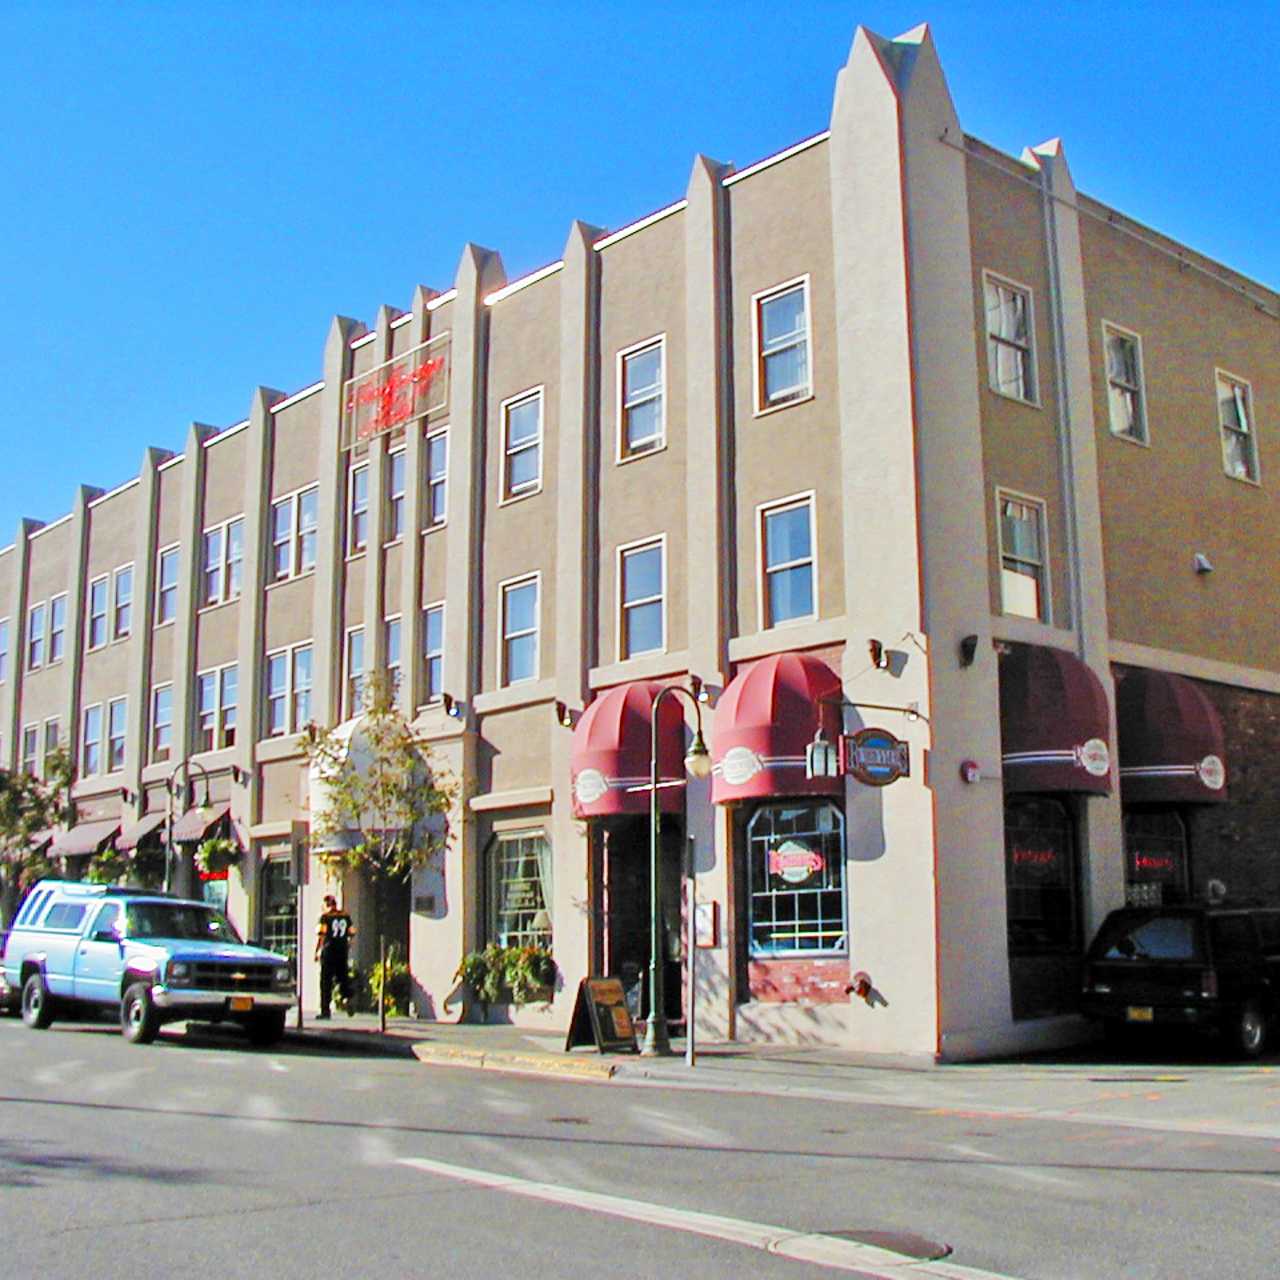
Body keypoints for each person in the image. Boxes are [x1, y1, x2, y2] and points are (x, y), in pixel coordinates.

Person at [314, 894, 355, 1019]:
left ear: (327, 904)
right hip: (342, 951)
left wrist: (316, 951)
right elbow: (352, 933)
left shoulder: (325, 917)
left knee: (326, 982)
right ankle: (346, 997)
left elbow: (321, 935)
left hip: (329, 951)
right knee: (343, 977)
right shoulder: (345, 916)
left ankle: (325, 1011)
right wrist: (347, 946)